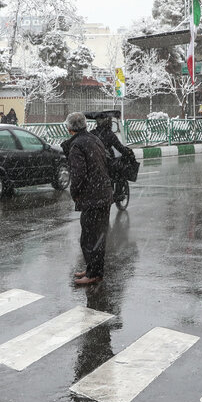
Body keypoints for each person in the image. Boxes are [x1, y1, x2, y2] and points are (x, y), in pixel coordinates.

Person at [64, 112, 113, 287]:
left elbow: (78, 174)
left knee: (90, 238)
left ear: (70, 128)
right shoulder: (93, 139)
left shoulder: (77, 145)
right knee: (96, 235)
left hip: (93, 197)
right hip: (103, 193)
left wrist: (74, 192)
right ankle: (92, 268)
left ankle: (94, 273)